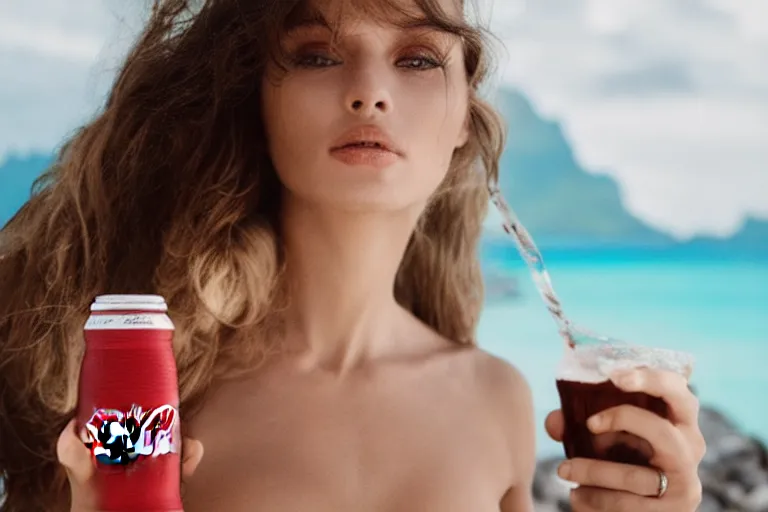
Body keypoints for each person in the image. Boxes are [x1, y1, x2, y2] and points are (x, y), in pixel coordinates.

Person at [0, 0, 706, 510]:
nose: (369, 93)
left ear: (465, 118)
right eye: (317, 54)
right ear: (258, 100)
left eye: (419, 58)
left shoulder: (497, 400)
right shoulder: (154, 394)